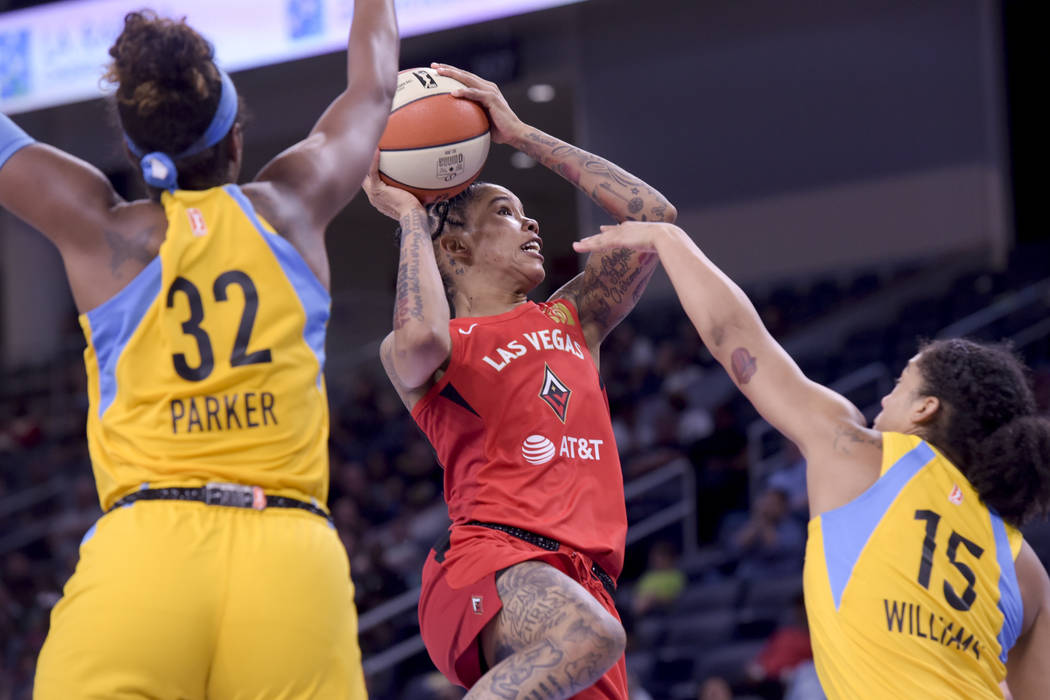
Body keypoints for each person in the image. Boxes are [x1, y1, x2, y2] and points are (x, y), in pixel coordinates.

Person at [0, 3, 398, 696]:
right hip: (288, 550)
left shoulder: (101, 231)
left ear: (133, 150)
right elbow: (372, 89)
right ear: (236, 140)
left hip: (147, 551)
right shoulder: (294, 205)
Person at [572, 222, 1050, 699]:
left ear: (926, 409)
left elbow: (734, 337)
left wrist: (666, 239)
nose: (883, 400)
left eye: (901, 386)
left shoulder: (861, 456)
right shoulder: (1024, 567)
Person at [363, 63, 676, 699]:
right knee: (591, 637)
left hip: (584, 585)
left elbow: (652, 215)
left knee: (593, 636)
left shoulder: (572, 317)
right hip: (492, 562)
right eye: (507, 213)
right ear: (455, 251)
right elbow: (421, 338)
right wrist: (409, 220)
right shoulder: (431, 344)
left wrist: (522, 135)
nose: (532, 224)